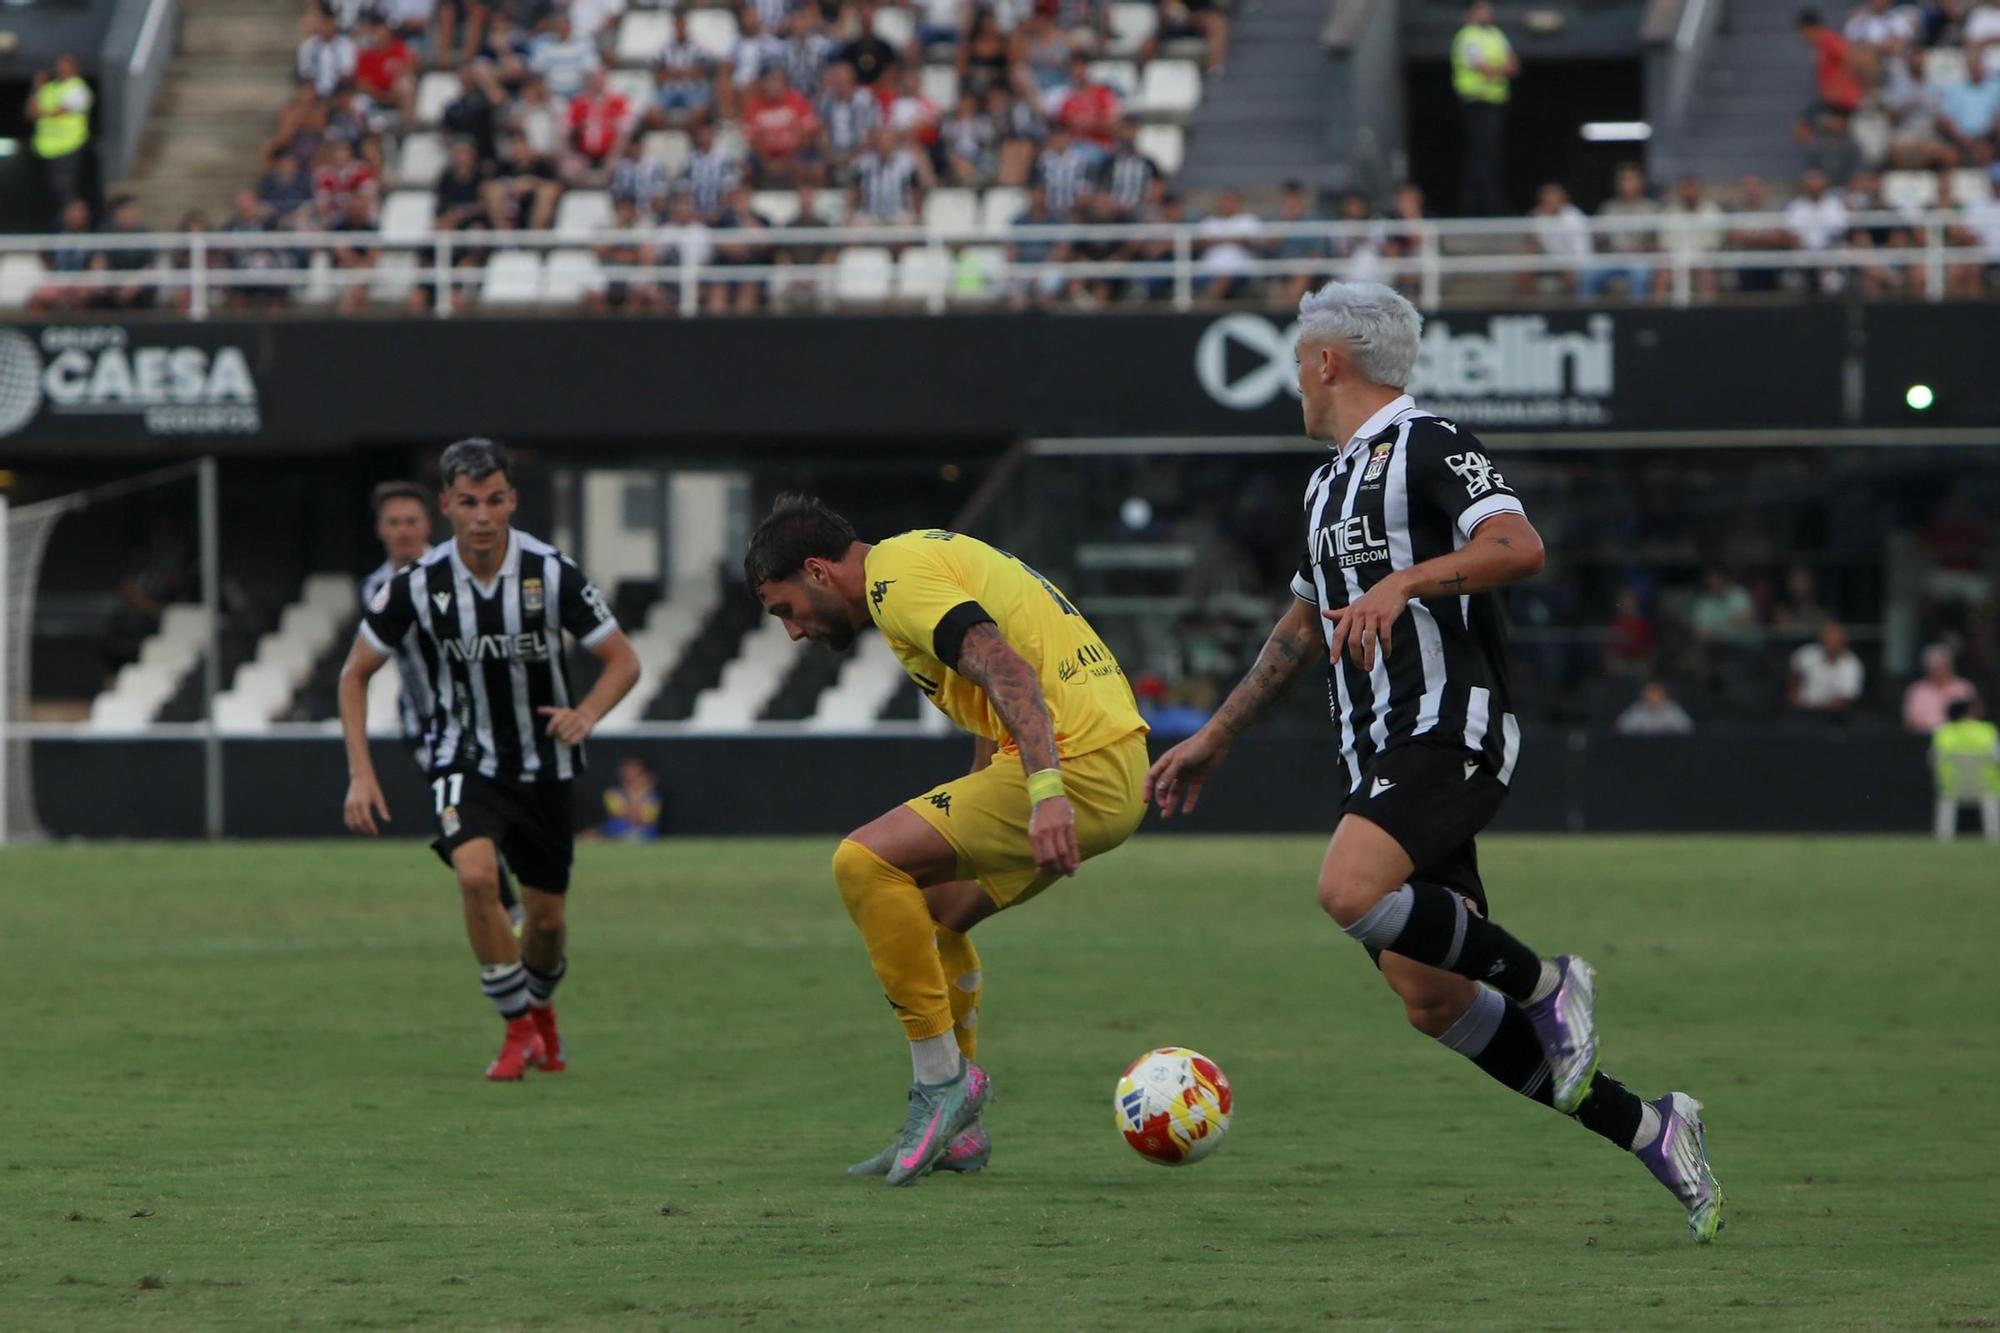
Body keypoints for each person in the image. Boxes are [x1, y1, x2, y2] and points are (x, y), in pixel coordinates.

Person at [1144, 280, 1723, 1243]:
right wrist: (1217, 732)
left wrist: (1405, 580)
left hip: (1450, 724)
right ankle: (1653, 1127)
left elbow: (1517, 544)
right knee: (1433, 997)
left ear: (1329, 358)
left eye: (1297, 358)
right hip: (1372, 748)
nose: (1293, 376)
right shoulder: (1328, 481)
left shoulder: (1432, 441)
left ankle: (1549, 982)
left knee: (1345, 886)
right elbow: (1302, 622)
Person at [743, 495, 1151, 1185]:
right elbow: (993, 692)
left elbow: (1007, 669)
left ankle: (941, 1083)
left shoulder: (893, 580)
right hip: (1111, 763)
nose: (792, 631)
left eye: (785, 608)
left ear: (816, 570)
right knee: (934, 908)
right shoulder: (917, 558)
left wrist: (1047, 793)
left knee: (862, 862)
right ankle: (960, 1131)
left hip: (1073, 767)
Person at [339, 440, 641, 1081]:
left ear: (512, 502)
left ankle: (540, 1010)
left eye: (494, 500)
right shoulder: (417, 585)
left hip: (546, 767)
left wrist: (586, 714)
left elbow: (623, 659)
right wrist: (361, 773)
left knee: (548, 922)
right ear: (447, 506)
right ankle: (514, 1032)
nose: (482, 516)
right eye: (468, 502)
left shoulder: (551, 572)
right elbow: (355, 673)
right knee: (475, 878)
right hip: (463, 757)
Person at [361, 480, 525, 928]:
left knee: (496, 812)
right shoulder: (377, 587)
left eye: (410, 521)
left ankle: (501, 891)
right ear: (380, 529)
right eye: (393, 522)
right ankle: (506, 907)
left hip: (490, 716)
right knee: (460, 811)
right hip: (428, 727)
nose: (402, 531)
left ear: (427, 523)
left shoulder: (459, 569)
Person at [1451, 0, 1518, 217]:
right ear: (1471, 12)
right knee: (1479, 158)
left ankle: (1491, 206)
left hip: (1495, 103)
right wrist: (1499, 69)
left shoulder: (1496, 34)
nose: (1486, 12)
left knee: (1493, 157)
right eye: (1481, 8)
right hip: (1476, 102)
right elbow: (1483, 68)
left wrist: (1496, 69)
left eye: (1487, 8)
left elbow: (1514, 65)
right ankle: (1476, 209)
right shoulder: (1467, 36)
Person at [26, 54, 95, 220]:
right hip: (47, 148)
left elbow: (60, 111)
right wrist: (37, 87)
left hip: (70, 146)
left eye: (65, 66)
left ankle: (75, 222)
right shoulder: (49, 88)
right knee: (50, 191)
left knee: (66, 188)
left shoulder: (78, 88)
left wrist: (41, 112)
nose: (61, 69)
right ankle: (57, 222)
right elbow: (30, 113)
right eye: (59, 66)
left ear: (75, 68)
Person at [1931, 699, 2000, 841]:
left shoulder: (1944, 732)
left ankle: (1944, 837)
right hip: (1987, 787)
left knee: (1946, 801)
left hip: (1952, 787)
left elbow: (1933, 760)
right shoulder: (1987, 731)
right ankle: (1994, 836)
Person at [1788, 620, 1865, 714]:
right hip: (1802, 709)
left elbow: (1845, 699)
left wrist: (1822, 706)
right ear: (1821, 638)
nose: (1831, 642)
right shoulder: (1806, 654)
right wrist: (1793, 695)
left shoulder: (1853, 665)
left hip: (1831, 714)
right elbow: (1794, 673)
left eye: (1835, 639)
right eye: (1828, 638)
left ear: (1843, 641)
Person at [1903, 643, 1981, 733]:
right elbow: (1909, 721)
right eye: (1936, 666)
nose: (1940, 670)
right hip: (1926, 738)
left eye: (1943, 665)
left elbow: (1976, 712)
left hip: (1961, 738)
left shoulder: (1964, 687)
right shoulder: (1917, 690)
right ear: (1928, 668)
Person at [597, 756, 664, 840]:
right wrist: (633, 796)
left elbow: (646, 819)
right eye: (628, 770)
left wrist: (641, 793)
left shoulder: (653, 795)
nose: (631, 774)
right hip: (621, 827)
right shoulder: (612, 793)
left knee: (650, 829)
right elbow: (623, 816)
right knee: (612, 825)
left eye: (634, 770)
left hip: (644, 830)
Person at [1615, 680, 1695, 735]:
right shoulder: (1637, 709)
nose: (1654, 696)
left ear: (1663, 694)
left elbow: (1687, 727)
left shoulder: (1671, 708)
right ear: (1644, 695)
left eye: (1656, 693)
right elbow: (1621, 728)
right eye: (1650, 692)